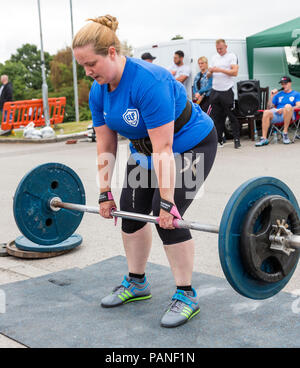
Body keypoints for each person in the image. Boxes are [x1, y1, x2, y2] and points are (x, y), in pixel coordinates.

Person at [72, 15, 217, 328]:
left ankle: (186, 294)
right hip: (145, 152)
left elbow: (165, 149)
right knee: (131, 213)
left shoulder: (147, 81)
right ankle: (137, 283)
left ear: (112, 52)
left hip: (191, 147)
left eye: (90, 63)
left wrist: (167, 202)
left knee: (166, 216)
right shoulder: (99, 91)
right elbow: (105, 146)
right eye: (82, 66)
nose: (87, 72)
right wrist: (103, 192)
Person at [208, 39, 240, 149]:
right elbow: (209, 75)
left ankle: (236, 140)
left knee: (231, 116)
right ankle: (218, 140)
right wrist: (210, 72)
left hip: (226, 90)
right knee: (216, 117)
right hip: (215, 90)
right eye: (217, 49)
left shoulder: (231, 56)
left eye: (221, 48)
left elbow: (234, 72)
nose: (219, 50)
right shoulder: (214, 57)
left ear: (226, 46)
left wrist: (219, 70)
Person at [255, 76, 300, 146]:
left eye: (285, 83)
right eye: (282, 84)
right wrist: (272, 96)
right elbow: (269, 107)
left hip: (289, 114)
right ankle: (264, 138)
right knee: (266, 112)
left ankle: (285, 133)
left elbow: (298, 106)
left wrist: (285, 109)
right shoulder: (278, 94)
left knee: (287, 106)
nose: (284, 85)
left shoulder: (296, 94)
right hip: (277, 114)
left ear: (290, 83)